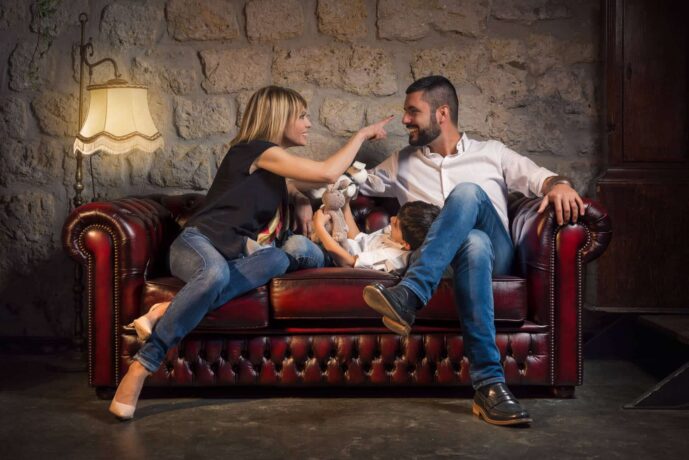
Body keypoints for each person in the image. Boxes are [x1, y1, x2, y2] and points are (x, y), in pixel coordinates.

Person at [109, 85, 393, 420]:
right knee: (215, 273)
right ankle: (143, 365)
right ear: (279, 117)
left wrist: (300, 199)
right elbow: (327, 173)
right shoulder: (254, 150)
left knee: (277, 257)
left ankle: (169, 308)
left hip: (233, 255)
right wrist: (361, 135)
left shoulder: (272, 167)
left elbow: (293, 184)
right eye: (302, 116)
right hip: (196, 243)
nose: (309, 124)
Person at [348, 75, 585, 426]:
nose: (405, 120)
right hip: (445, 262)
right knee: (473, 242)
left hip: (496, 259)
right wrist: (352, 146)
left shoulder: (492, 153)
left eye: (413, 112)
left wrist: (560, 185)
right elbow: (347, 183)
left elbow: (541, 178)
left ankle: (409, 294)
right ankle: (490, 386)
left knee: (468, 194)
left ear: (442, 113)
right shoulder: (402, 162)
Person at [313, 199, 440, 273]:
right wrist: (346, 204)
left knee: (302, 246)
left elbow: (348, 263)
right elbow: (358, 239)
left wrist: (319, 226)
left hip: (332, 260)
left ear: (405, 244)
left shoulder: (393, 257)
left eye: (396, 224)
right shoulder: (397, 235)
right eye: (397, 215)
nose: (391, 219)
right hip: (335, 245)